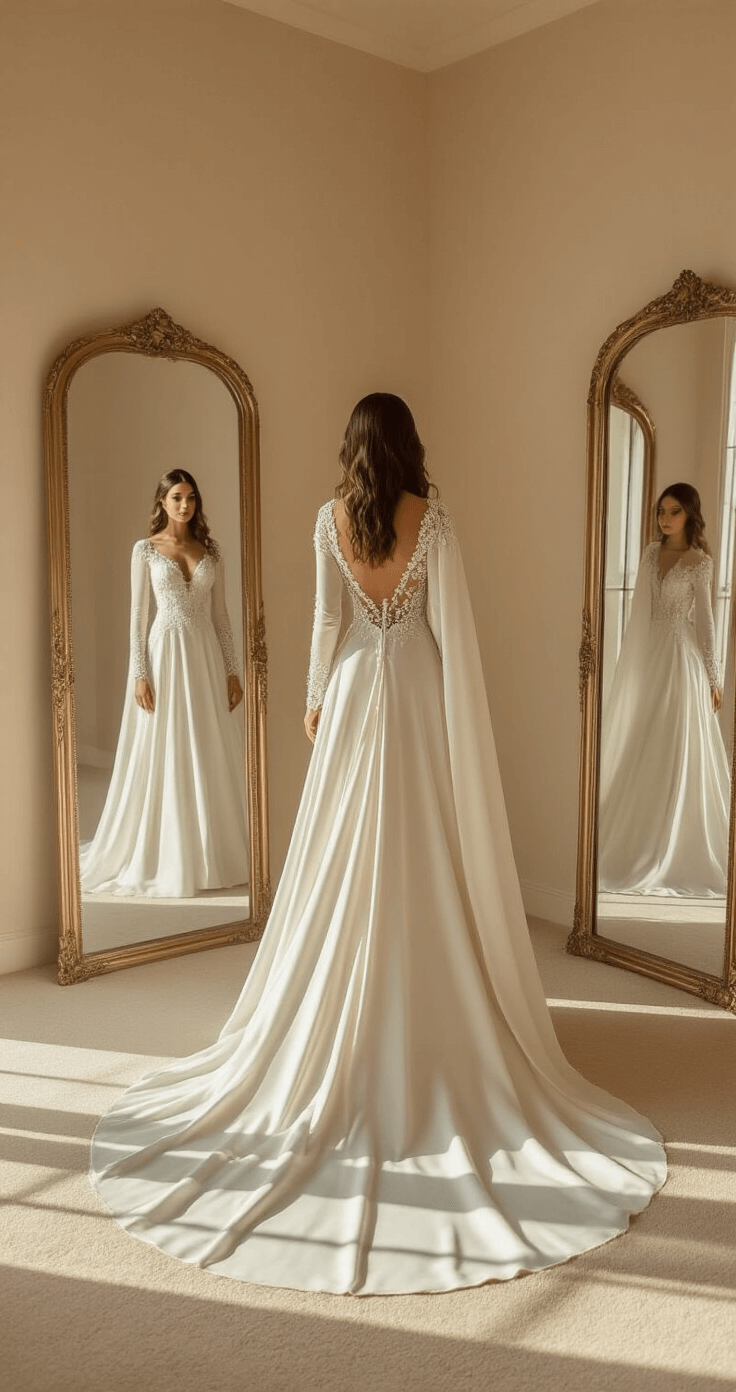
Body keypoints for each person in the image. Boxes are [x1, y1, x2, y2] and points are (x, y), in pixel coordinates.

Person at [90, 396, 665, 1296]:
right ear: (407, 445)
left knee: (342, 851)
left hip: (357, 689)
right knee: (422, 843)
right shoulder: (432, 522)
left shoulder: (330, 520)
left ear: (353, 447)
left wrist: (319, 697)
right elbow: (450, 634)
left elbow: (328, 622)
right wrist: (455, 718)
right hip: (418, 690)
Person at [80, 469, 249, 898]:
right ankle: (169, 852)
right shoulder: (146, 550)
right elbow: (138, 615)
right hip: (165, 654)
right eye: (176, 497)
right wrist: (139, 672)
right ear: (162, 502)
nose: (185, 505)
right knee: (166, 743)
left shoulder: (210, 551)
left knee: (205, 743)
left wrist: (233, 669)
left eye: (191, 497)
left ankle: (212, 851)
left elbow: (222, 616)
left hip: (205, 654)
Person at [599, 482, 730, 897]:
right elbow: (639, 612)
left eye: (674, 511)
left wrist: (713, 676)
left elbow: (705, 622)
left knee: (675, 741)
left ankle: (675, 843)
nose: (666, 519)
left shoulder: (699, 561)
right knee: (643, 739)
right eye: (661, 511)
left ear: (690, 514)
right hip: (650, 654)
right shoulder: (651, 553)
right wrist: (630, 665)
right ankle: (633, 837)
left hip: (681, 660)